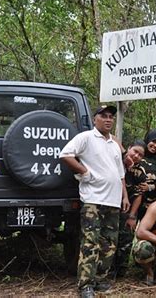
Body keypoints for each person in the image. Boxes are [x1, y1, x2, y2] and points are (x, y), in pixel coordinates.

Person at [60, 104, 130, 298]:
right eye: (104, 116)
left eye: (111, 117)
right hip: (93, 199)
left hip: (113, 200)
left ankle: (100, 279)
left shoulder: (114, 144)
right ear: (95, 119)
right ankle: (85, 285)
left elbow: (120, 173)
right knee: (90, 241)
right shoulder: (86, 138)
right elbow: (65, 154)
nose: (108, 120)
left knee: (109, 243)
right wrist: (85, 172)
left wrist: (124, 195)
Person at [115, 140, 147, 277]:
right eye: (135, 151)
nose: (136, 156)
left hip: (127, 210)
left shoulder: (139, 171)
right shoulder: (115, 161)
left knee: (125, 240)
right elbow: (112, 138)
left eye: (140, 155)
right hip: (109, 206)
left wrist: (132, 216)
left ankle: (121, 272)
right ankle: (106, 271)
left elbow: (139, 195)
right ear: (128, 148)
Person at [138, 129, 156, 219]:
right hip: (133, 200)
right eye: (153, 142)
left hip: (151, 203)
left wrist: (150, 187)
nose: (155, 146)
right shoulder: (137, 154)